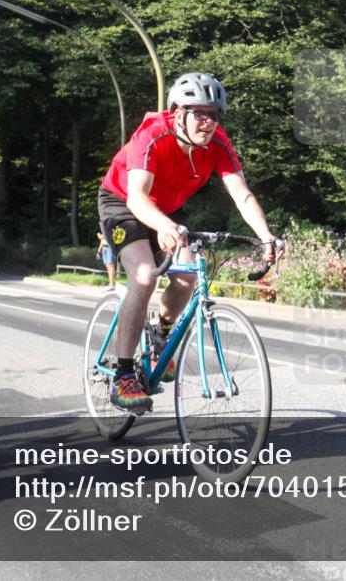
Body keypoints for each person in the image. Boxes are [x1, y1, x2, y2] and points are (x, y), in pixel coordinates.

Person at [97, 72, 284, 413]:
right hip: (123, 203)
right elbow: (138, 198)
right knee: (144, 276)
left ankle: (160, 334)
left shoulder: (218, 144)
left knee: (187, 278)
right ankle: (123, 376)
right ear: (178, 113)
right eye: (199, 113)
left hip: (167, 208)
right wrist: (164, 226)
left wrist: (264, 234)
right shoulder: (153, 135)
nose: (208, 121)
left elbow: (241, 194)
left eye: (214, 114)